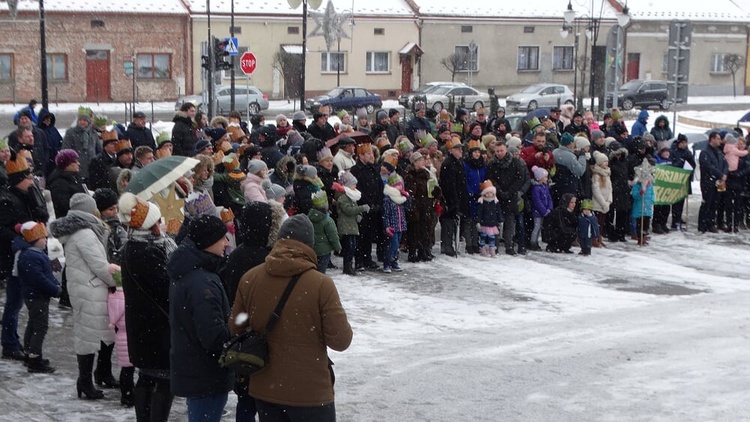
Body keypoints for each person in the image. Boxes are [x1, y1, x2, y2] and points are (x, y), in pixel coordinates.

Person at [230, 214, 352, 421]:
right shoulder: (321, 285)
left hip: (265, 388)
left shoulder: (251, 278)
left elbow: (236, 326)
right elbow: (341, 340)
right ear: (309, 245)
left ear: (279, 240)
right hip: (310, 392)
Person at [49, 193, 118, 400]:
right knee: (89, 335)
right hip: (91, 289)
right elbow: (99, 265)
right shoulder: (85, 233)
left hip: (85, 288)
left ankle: (97, 374)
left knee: (99, 331)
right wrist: (120, 280)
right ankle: (86, 381)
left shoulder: (78, 231)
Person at [168, 214, 233, 421]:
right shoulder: (202, 282)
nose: (227, 242)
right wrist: (239, 326)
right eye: (222, 237)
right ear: (208, 241)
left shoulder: (189, 270)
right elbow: (213, 336)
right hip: (206, 374)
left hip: (194, 369)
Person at [118, 192, 175, 421]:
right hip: (156, 327)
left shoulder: (135, 247)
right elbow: (167, 287)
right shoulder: (146, 252)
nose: (162, 224)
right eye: (158, 220)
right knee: (163, 378)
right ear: (152, 225)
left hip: (142, 325)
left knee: (147, 376)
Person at [0, 151, 49, 362]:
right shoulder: (7, 200)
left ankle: (12, 341)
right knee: (14, 303)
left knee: (17, 303)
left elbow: (42, 214)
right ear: (18, 180)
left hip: (24, 256)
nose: (32, 180)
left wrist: (34, 193)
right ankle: (9, 343)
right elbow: (3, 229)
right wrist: (21, 235)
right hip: (15, 258)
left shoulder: (25, 195)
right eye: (28, 178)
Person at [16, 221, 61, 373]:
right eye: (43, 237)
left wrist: (55, 285)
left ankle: (29, 353)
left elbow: (45, 275)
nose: (46, 240)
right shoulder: (31, 256)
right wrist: (55, 289)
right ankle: (35, 357)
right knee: (40, 326)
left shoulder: (35, 255)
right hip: (36, 296)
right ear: (33, 239)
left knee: (33, 323)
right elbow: (39, 279)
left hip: (35, 296)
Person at [486, 141, 527, 256]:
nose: (499, 153)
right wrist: (499, 191)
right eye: (497, 151)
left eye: (501, 151)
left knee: (510, 222)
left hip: (511, 195)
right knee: (496, 222)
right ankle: (495, 245)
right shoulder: (492, 164)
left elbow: (520, 178)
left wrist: (510, 191)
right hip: (497, 196)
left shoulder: (515, 162)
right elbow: (491, 178)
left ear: (506, 150)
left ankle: (509, 245)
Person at [349, 143, 384, 271]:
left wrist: (378, 203)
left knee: (369, 234)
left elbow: (380, 186)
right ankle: (359, 260)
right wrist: (368, 203)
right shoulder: (355, 170)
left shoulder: (373, 169)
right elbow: (358, 190)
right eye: (368, 153)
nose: (371, 156)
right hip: (362, 207)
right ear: (361, 156)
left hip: (374, 207)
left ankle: (367, 258)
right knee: (361, 234)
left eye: (371, 153)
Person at [438, 138, 468, 257]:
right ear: (451, 150)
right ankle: (447, 245)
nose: (460, 150)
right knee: (448, 222)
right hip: (450, 199)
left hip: (457, 197)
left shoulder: (457, 163)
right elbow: (449, 184)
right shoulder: (449, 164)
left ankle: (449, 244)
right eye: (458, 148)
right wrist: (454, 200)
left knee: (453, 222)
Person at [404, 151, 434, 262]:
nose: (423, 162)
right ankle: (412, 252)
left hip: (426, 205)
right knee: (414, 230)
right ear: (414, 163)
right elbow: (410, 191)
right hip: (415, 205)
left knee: (424, 228)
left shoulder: (426, 174)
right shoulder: (410, 175)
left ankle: (423, 250)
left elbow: (430, 190)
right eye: (420, 160)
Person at [698, 131, 728, 233]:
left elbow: (725, 163)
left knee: (715, 203)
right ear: (712, 139)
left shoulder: (719, 152)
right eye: (718, 138)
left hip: (719, 182)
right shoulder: (705, 152)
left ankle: (711, 223)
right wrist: (720, 175)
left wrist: (724, 174)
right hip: (708, 182)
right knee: (707, 203)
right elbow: (708, 167)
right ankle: (702, 225)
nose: (720, 141)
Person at [61, 108, 98, 183]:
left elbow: (98, 149)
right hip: (77, 167)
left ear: (88, 122)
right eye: (80, 120)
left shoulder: (93, 133)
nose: (82, 122)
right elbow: (65, 149)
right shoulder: (71, 133)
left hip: (91, 167)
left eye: (84, 120)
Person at [309, 190, 341, 273]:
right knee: (321, 272)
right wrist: (337, 247)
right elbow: (333, 236)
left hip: (311, 249)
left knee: (312, 272)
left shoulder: (308, 218)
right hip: (324, 251)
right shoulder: (327, 220)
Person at [47, 149, 86, 218]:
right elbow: (63, 206)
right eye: (75, 161)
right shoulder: (59, 182)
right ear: (67, 164)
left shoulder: (74, 177)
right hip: (70, 219)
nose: (78, 164)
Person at [591, 151, 612, 247]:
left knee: (602, 222)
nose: (606, 163)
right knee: (597, 222)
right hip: (598, 203)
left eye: (607, 161)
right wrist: (603, 203)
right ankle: (594, 238)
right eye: (604, 162)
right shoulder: (596, 175)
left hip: (605, 204)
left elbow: (610, 189)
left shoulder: (607, 174)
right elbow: (596, 190)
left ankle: (599, 237)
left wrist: (609, 201)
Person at [476, 180, 503, 257]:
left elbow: (498, 211)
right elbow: (479, 213)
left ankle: (492, 249)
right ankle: (483, 249)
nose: (489, 195)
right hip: (484, 222)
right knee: (483, 236)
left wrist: (500, 220)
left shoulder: (495, 201)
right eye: (487, 193)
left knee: (492, 237)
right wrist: (478, 221)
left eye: (491, 193)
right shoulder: (481, 202)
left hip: (493, 222)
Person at [529, 166, 553, 251]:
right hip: (538, 212)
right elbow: (537, 201)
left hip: (543, 211)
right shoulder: (536, 188)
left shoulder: (545, 187)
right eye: (545, 177)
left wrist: (549, 208)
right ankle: (533, 242)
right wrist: (543, 210)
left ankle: (535, 242)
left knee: (539, 227)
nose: (546, 178)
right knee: (537, 227)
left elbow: (549, 197)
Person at [37, 108, 64, 175]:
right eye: (46, 119)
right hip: (45, 162)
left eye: (49, 118)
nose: (48, 120)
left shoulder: (53, 130)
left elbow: (60, 142)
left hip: (55, 160)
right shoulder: (39, 131)